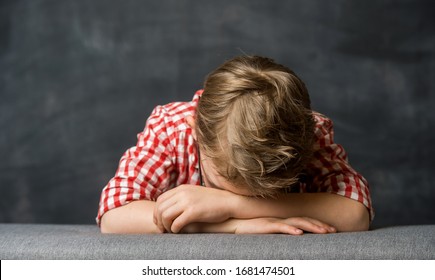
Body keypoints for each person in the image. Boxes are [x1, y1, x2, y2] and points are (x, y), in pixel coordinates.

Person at [97, 55, 373, 235]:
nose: (251, 198)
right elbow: (113, 217)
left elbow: (355, 214)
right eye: (224, 182)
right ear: (197, 133)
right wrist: (235, 225)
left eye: (265, 194)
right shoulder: (172, 126)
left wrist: (231, 204)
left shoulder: (310, 130)